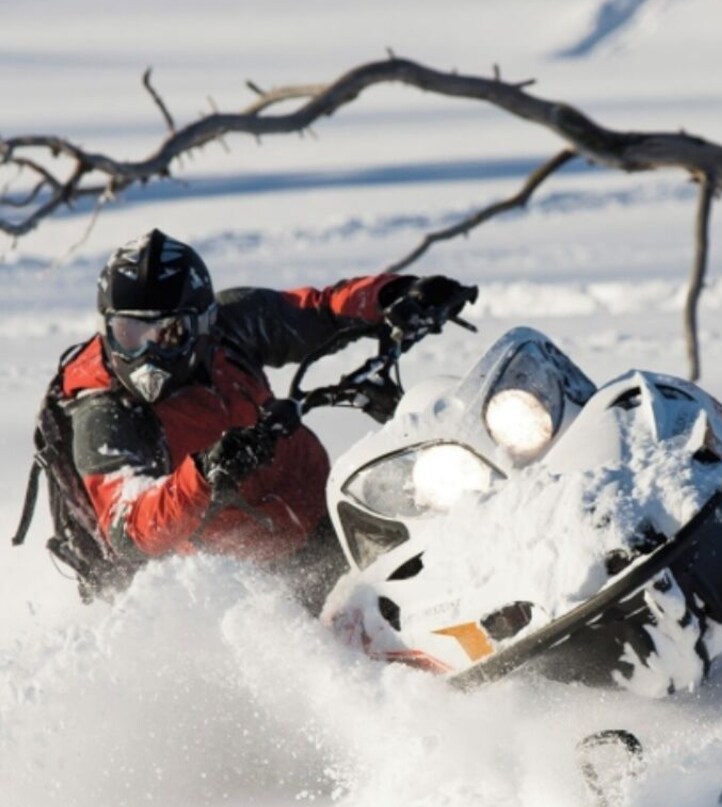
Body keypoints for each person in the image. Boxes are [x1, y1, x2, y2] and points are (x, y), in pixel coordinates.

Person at [49, 228, 469, 610]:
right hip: (248, 585)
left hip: (327, 510)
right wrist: (204, 474)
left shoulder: (232, 327)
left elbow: (320, 311)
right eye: (129, 334)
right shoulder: (105, 410)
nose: (147, 353)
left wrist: (395, 295)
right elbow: (127, 524)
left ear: (202, 322)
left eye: (167, 334)